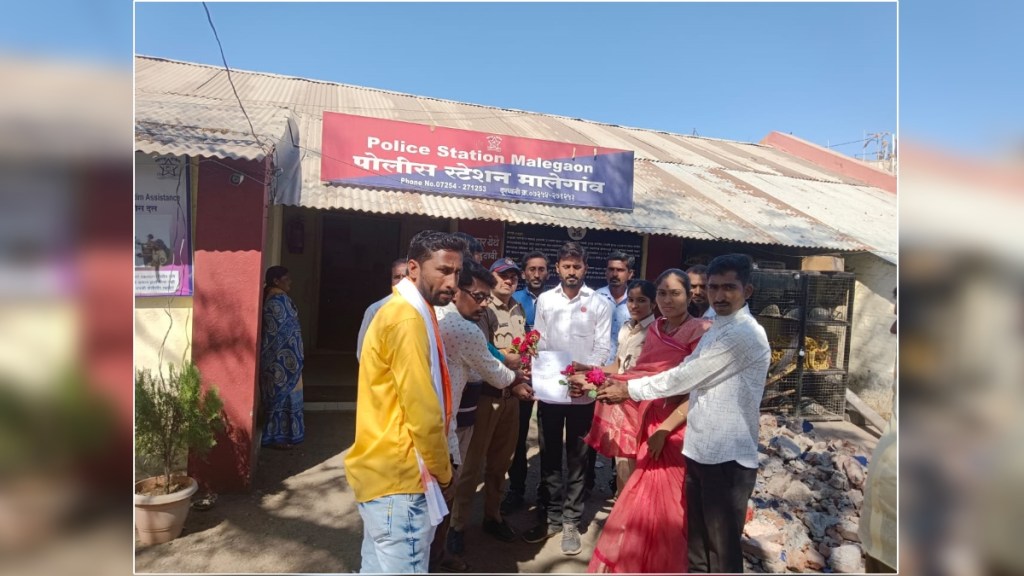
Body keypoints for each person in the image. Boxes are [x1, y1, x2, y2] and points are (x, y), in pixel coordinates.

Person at [596, 253, 770, 573]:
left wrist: (630, 390)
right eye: (714, 287)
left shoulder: (744, 334)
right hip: (697, 450)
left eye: (729, 287)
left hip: (727, 457)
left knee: (722, 554)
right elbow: (686, 368)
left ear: (748, 290)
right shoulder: (718, 326)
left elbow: (686, 377)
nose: (718, 295)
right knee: (696, 548)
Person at [344, 230, 465, 574]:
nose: (452, 282)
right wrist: (445, 474)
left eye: (457, 272)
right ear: (414, 268)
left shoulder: (407, 311)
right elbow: (423, 412)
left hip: (385, 476)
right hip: (402, 481)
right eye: (443, 270)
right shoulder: (408, 319)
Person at [583, 270, 711, 573]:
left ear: (689, 295)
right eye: (663, 293)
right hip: (650, 419)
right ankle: (640, 560)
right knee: (642, 498)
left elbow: (699, 387)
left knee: (669, 504)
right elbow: (640, 376)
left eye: (675, 293)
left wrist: (666, 429)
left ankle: (664, 563)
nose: (667, 300)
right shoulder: (656, 331)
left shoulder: (701, 330)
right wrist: (594, 378)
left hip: (679, 426)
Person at [431, 259, 531, 573]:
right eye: (504, 276)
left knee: (501, 463)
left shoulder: (519, 309)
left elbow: (520, 353)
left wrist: (519, 374)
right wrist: (514, 374)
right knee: (469, 467)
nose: (509, 282)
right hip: (487, 397)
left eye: (514, 277)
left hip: (511, 399)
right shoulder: (470, 317)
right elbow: (488, 358)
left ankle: (492, 515)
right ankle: (458, 527)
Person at [522, 241, 613, 556]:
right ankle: (551, 516)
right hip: (550, 391)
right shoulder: (546, 300)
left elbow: (603, 348)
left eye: (576, 267)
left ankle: (572, 521)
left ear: (585, 269)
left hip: (581, 394)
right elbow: (540, 337)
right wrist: (533, 355)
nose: (571, 272)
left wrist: (586, 380)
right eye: (566, 266)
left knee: (577, 459)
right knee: (548, 457)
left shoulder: (599, 303)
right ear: (557, 268)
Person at [582, 279, 657, 496]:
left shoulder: (656, 332)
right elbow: (618, 365)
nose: (634, 305)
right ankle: (623, 510)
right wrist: (588, 369)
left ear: (654, 304)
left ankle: (630, 514)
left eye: (641, 301)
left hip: (641, 404)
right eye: (631, 300)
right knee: (622, 459)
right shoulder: (627, 328)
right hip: (621, 401)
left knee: (636, 461)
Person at [503, 251, 550, 514]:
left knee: (548, 438)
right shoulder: (514, 300)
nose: (536, 274)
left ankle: (546, 493)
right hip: (522, 378)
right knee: (518, 438)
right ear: (524, 273)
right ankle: (516, 490)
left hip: (550, 378)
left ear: (548, 272)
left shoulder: (554, 300)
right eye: (531, 269)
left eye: (541, 269)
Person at [259, 265, 306, 449]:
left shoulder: (277, 298)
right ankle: (277, 437)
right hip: (282, 362)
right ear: (276, 281)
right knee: (282, 397)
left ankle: (281, 436)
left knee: (281, 396)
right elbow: (281, 332)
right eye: (287, 279)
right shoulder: (277, 300)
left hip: (283, 360)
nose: (290, 283)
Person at [355, 258, 408, 361]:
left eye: (405, 277)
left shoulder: (424, 309)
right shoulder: (375, 310)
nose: (401, 281)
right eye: (397, 277)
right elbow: (362, 352)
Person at [595, 250, 636, 363]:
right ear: (606, 272)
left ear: (630, 274)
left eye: (620, 270)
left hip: (625, 366)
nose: (615, 274)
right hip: (597, 366)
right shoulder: (595, 298)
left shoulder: (637, 303)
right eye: (611, 269)